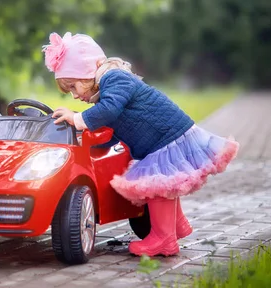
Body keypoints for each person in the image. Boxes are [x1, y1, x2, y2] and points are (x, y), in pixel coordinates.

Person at [42, 32, 239, 257]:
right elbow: (113, 125)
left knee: (157, 187)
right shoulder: (108, 88)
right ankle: (176, 226)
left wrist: (78, 119)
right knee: (165, 184)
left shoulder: (114, 79)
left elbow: (109, 111)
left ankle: (164, 240)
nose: (74, 95)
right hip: (164, 138)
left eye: (73, 87)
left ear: (87, 73)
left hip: (166, 139)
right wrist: (87, 137)